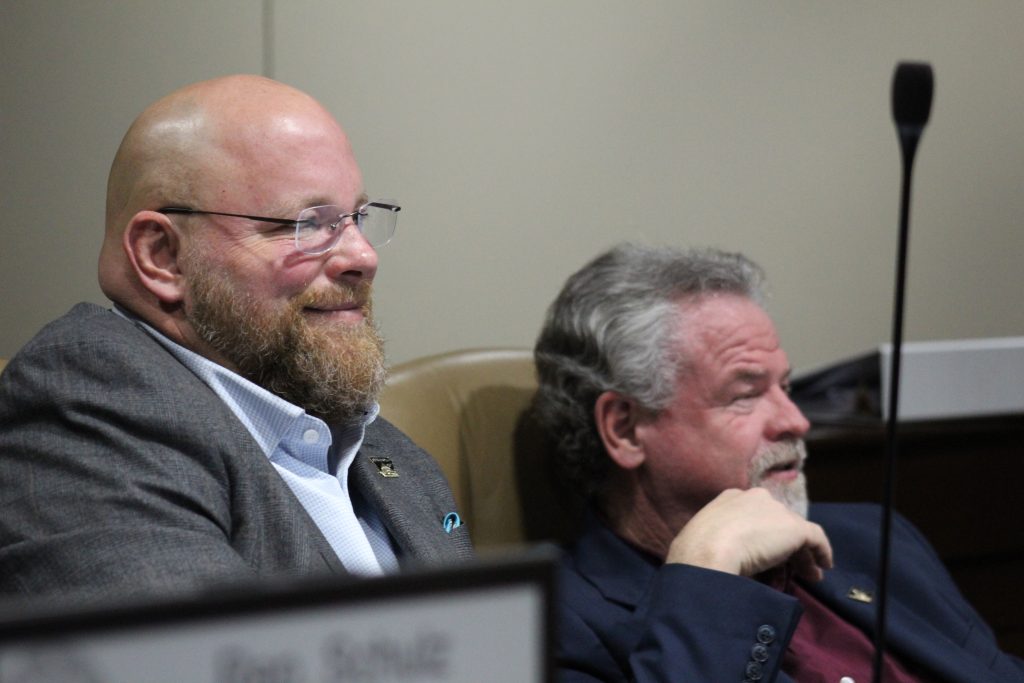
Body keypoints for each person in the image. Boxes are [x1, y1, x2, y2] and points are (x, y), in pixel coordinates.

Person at [0, 75, 472, 603]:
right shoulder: (87, 406)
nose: (363, 257)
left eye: (357, 218)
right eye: (309, 223)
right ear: (162, 256)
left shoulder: (374, 443)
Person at [532, 243, 1024, 682]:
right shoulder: (558, 626)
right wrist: (708, 577)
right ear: (623, 427)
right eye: (745, 395)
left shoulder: (870, 538)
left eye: (784, 387)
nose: (795, 421)